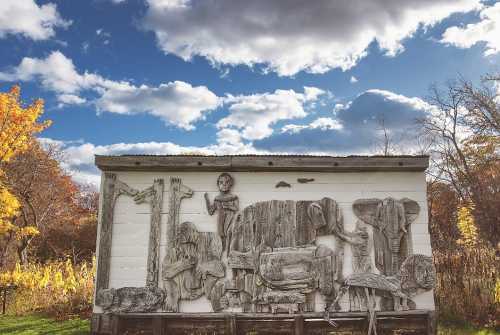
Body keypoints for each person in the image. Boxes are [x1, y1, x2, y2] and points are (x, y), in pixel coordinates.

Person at [205, 173, 239, 253]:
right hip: (221, 221)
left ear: (231, 184)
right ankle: (223, 254)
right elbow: (210, 211)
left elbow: (236, 208)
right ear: (218, 184)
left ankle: (229, 253)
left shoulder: (233, 197)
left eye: (226, 182)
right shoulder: (217, 199)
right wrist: (206, 200)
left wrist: (227, 206)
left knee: (230, 236)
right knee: (221, 237)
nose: (224, 185)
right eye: (221, 182)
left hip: (230, 220)